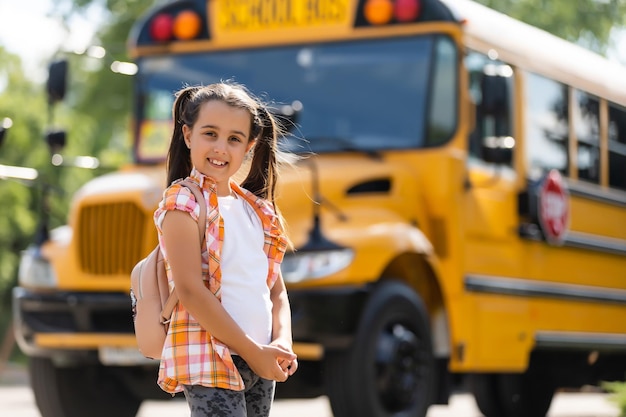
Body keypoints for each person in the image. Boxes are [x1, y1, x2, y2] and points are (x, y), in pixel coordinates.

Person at [154, 82, 298, 417]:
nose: (221, 147)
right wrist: (252, 351)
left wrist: (282, 341)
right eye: (210, 134)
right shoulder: (183, 202)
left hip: (260, 356)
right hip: (210, 355)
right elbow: (190, 290)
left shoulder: (257, 209)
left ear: (250, 145)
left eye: (234, 138)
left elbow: (275, 290)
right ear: (187, 135)